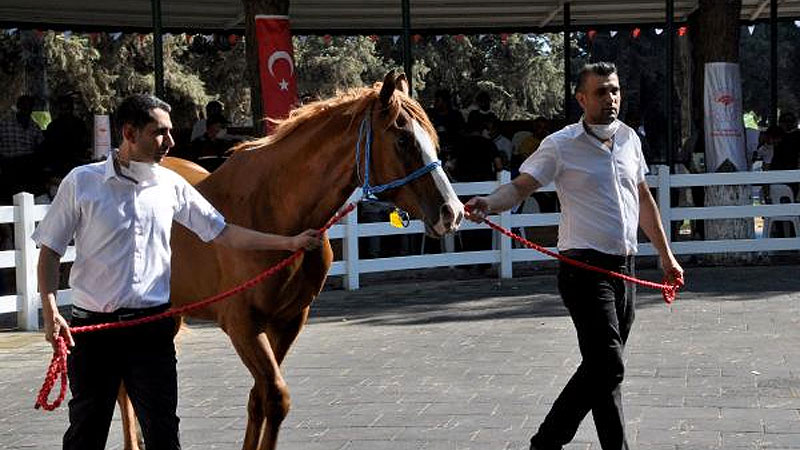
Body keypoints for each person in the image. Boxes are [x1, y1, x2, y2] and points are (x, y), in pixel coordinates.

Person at [32, 94, 323, 450]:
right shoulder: (82, 182)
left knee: (164, 435)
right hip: (94, 334)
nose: (170, 141)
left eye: (169, 132)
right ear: (129, 133)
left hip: (151, 331)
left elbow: (223, 232)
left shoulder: (171, 185)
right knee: (85, 434)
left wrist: (288, 242)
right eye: (160, 132)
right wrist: (50, 310)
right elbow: (50, 250)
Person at [465, 62, 684, 450]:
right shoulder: (560, 144)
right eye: (600, 92)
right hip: (584, 270)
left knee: (603, 370)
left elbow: (643, 199)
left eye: (615, 90)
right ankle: (546, 442)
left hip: (625, 267)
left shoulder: (629, 139)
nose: (610, 98)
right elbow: (520, 187)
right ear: (581, 99)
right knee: (608, 364)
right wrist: (489, 203)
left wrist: (667, 257)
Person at [0, 95, 45, 202]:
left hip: (28, 164)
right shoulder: (4, 124)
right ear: (19, 107)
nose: (26, 109)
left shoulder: (34, 127)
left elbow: (42, 147)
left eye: (29, 107)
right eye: (24, 106)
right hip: (9, 163)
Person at [43, 94, 91, 177]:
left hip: (76, 163)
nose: (65, 112)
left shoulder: (79, 124)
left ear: (71, 109)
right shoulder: (53, 126)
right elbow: (48, 146)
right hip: (57, 164)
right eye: (62, 109)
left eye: (67, 109)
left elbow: (85, 143)